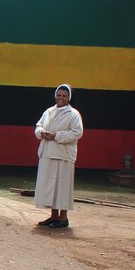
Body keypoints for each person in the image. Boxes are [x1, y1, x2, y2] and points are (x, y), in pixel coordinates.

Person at [33, 84, 83, 228]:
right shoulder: (48, 111)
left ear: (69, 98)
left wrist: (57, 136)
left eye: (64, 96)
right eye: (59, 95)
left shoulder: (73, 114)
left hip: (63, 155)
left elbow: (77, 133)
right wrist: (42, 133)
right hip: (47, 153)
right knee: (50, 187)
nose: (61, 98)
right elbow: (38, 126)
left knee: (62, 187)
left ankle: (63, 217)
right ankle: (54, 216)